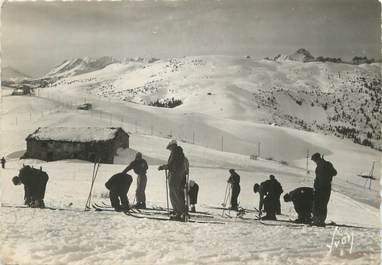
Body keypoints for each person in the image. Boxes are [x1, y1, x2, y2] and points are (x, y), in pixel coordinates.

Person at [158, 140, 188, 221]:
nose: (169, 149)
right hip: (177, 175)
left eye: (170, 147)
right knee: (175, 193)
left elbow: (172, 164)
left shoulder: (176, 153)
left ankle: (180, 212)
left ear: (173, 146)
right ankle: (179, 211)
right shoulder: (179, 153)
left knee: (174, 194)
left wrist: (164, 167)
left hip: (175, 176)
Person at [311, 152, 337, 227]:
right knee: (317, 204)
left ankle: (320, 221)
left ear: (318, 159)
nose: (315, 162)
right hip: (319, 188)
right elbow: (318, 178)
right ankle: (317, 220)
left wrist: (328, 172)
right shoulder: (319, 167)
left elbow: (334, 173)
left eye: (315, 161)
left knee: (321, 204)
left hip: (325, 188)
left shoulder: (327, 165)